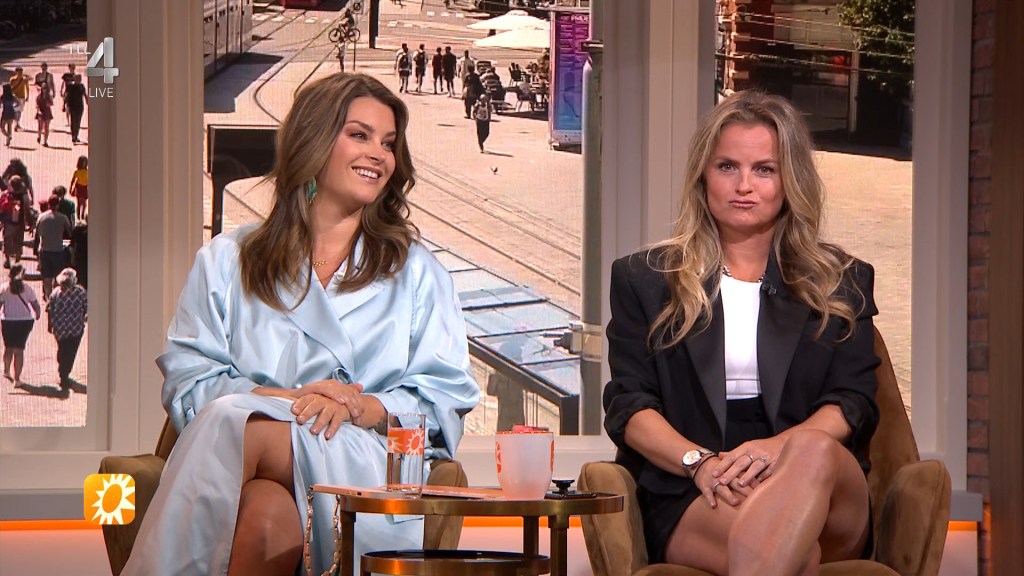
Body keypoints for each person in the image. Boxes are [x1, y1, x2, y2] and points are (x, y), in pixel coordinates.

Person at [121, 73, 480, 576]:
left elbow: (445, 395)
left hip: (367, 459)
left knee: (232, 421)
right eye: (359, 135)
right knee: (266, 516)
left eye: (388, 142)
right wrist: (291, 401)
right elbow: (189, 383)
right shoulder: (227, 260)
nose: (378, 154)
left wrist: (357, 405)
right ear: (313, 140)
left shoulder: (418, 273)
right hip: (250, 466)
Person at [603, 91, 879, 576]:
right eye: (727, 166)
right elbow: (630, 405)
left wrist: (777, 450)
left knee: (812, 449)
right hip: (697, 483)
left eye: (765, 169)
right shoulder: (644, 279)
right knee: (790, 554)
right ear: (703, 176)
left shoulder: (842, 280)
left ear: (790, 180)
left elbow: (852, 402)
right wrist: (700, 463)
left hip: (821, 482)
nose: (744, 186)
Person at [46, 267, 88, 396]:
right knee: (71, 352)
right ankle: (64, 373)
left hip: (60, 328)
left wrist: (50, 325)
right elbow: (86, 307)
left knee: (62, 349)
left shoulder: (55, 293)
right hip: (76, 328)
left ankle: (62, 371)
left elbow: (50, 309)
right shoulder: (80, 292)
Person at [1, 264, 41, 390]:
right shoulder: (27, 288)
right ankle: (17, 379)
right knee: (19, 350)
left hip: (8, 321)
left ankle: (6, 370)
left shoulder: (4, 288)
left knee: (8, 348)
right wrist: (38, 313)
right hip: (24, 321)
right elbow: (35, 304)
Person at [36, 195, 73, 300]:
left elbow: (37, 233)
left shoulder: (41, 217)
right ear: (58, 205)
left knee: (46, 277)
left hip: (45, 250)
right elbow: (70, 231)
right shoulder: (63, 218)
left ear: (48, 204)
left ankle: (48, 296)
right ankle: (56, 297)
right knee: (57, 276)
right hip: (58, 250)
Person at [1, 176, 30, 268]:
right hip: (19, 223)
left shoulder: (5, 194)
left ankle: (8, 260)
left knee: (7, 242)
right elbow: (27, 210)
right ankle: (17, 260)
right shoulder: (24, 196)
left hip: (8, 223)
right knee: (18, 241)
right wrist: (29, 222)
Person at [65, 74, 88, 144]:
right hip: (72, 106)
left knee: (78, 122)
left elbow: (84, 94)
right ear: (75, 79)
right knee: (73, 121)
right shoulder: (71, 86)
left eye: (80, 78)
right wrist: (66, 105)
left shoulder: (81, 86)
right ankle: (73, 136)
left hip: (80, 106)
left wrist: (87, 101)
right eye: (78, 78)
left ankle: (76, 135)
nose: (79, 80)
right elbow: (67, 96)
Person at [9, 67, 29, 132]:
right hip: (15, 97)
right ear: (16, 72)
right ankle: (16, 123)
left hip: (22, 97)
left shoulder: (24, 79)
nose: (20, 73)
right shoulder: (13, 79)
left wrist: (27, 96)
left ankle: (17, 123)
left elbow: (27, 87)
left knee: (19, 111)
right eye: (19, 71)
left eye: (21, 71)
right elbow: (10, 88)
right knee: (15, 110)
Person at [70, 155, 89, 221]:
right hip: (79, 187)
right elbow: (73, 181)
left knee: (84, 204)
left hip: (85, 187)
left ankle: (82, 214)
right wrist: (70, 188)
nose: (84, 164)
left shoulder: (87, 171)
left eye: (85, 162)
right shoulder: (77, 172)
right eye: (83, 162)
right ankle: (78, 215)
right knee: (79, 203)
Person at [35, 81, 54, 147]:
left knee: (46, 127)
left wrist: (49, 104)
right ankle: (39, 136)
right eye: (43, 88)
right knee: (40, 127)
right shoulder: (38, 97)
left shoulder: (49, 96)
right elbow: (37, 105)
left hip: (47, 112)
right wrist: (38, 110)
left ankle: (45, 141)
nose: (44, 90)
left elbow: (52, 103)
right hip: (40, 112)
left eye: (45, 88)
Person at [60, 63, 76, 128]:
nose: (72, 69)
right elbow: (63, 83)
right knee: (67, 107)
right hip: (67, 92)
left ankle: (72, 121)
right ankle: (68, 121)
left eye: (73, 68)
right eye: (71, 68)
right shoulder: (66, 75)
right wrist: (61, 90)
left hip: (73, 93)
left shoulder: (75, 76)